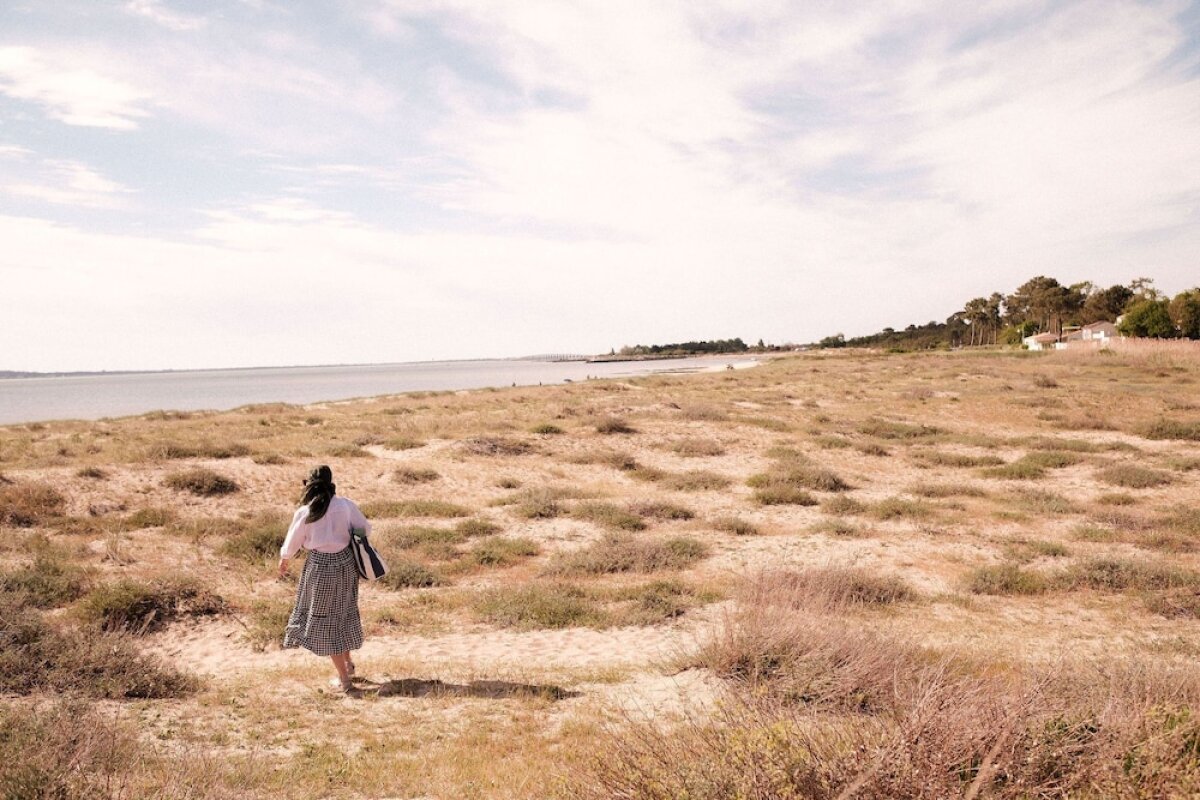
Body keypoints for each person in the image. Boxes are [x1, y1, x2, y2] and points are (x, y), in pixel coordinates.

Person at [278, 465, 367, 693]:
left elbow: (293, 541)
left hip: (319, 567)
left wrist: (284, 559)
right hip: (346, 563)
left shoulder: (306, 511)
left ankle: (345, 680)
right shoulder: (345, 505)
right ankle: (348, 664)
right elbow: (364, 529)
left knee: (327, 621)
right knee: (344, 612)